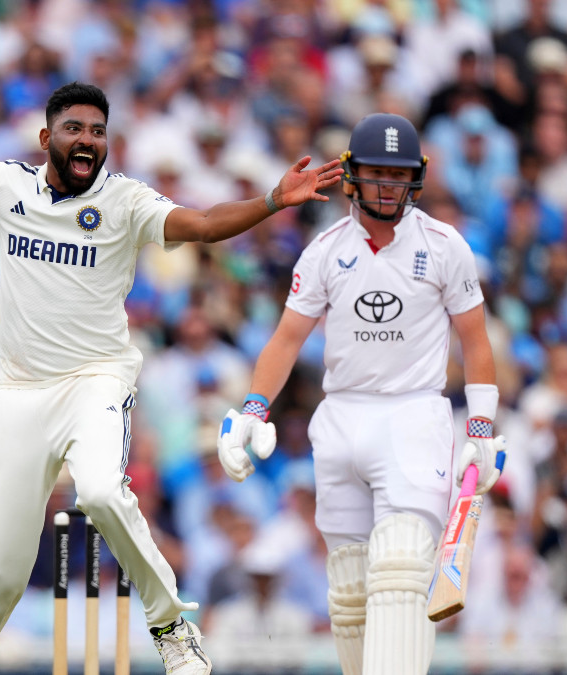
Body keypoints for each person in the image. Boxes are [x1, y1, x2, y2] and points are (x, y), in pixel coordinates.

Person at [0, 69, 342, 675]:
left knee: (99, 491)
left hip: (97, 380)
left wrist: (269, 202)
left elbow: (201, 225)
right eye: (74, 128)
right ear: (47, 137)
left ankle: (171, 625)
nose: (87, 139)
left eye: (98, 131)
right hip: (20, 394)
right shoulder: (6, 185)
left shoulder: (125, 201)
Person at [216, 113, 506, 675]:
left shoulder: (445, 246)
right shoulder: (325, 251)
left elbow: (475, 338)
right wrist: (252, 410)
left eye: (398, 176)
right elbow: (285, 341)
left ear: (415, 179)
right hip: (341, 418)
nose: (388, 186)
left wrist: (481, 425)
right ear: (352, 176)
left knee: (400, 570)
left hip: (414, 414)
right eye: (377, 173)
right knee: (350, 591)